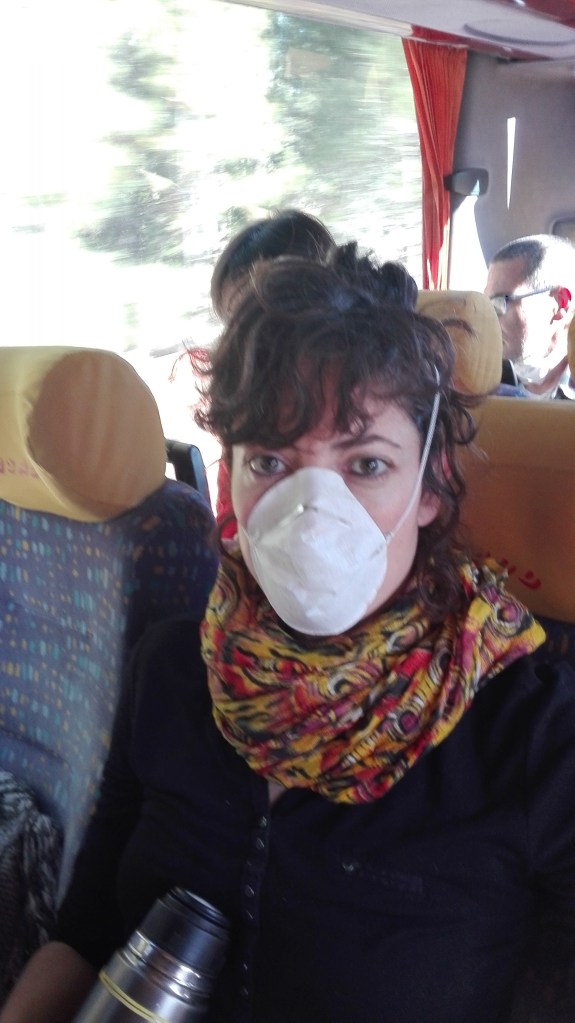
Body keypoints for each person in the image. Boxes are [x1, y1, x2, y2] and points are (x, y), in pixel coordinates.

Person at [3, 244, 575, 1023]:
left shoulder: (531, 735)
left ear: (430, 487)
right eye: (270, 461)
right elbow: (89, 928)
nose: (312, 512)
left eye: (365, 465)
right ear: (230, 478)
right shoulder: (172, 669)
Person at [210, 209, 336, 538]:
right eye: (236, 325)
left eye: (266, 321)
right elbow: (232, 521)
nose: (250, 342)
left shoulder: (381, 408)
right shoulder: (246, 420)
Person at [485, 233, 575, 398]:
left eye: (500, 302)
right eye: (487, 304)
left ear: (560, 303)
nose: (489, 318)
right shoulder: (477, 388)